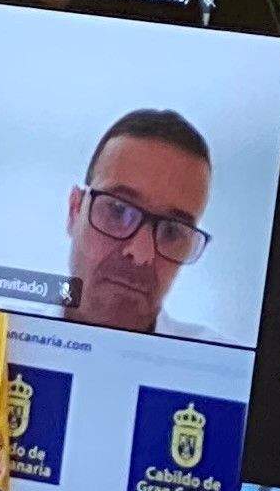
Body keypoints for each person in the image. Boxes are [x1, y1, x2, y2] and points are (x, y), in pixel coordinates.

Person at [63, 108, 218, 337]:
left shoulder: (218, 358)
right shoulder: (8, 332)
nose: (141, 254)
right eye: (118, 211)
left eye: (172, 231)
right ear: (74, 210)